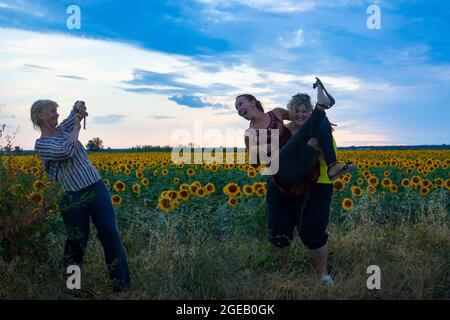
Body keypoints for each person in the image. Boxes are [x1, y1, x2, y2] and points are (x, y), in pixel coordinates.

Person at [31, 99, 130, 292]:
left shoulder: (63, 129)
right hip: (71, 196)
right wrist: (76, 128)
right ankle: (72, 288)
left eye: (56, 111)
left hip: (95, 186)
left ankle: (122, 286)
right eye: (52, 111)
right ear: (40, 116)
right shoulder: (42, 144)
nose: (57, 115)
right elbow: (65, 151)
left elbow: (72, 114)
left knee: (110, 232)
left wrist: (78, 107)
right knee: (77, 241)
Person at [268, 92, 340, 284]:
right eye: (297, 111)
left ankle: (324, 274)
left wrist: (317, 148)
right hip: (281, 185)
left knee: (313, 230)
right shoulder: (282, 131)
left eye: (305, 111)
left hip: (314, 185)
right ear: (291, 112)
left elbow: (330, 157)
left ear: (310, 113)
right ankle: (281, 274)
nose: (300, 115)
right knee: (279, 229)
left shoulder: (320, 129)